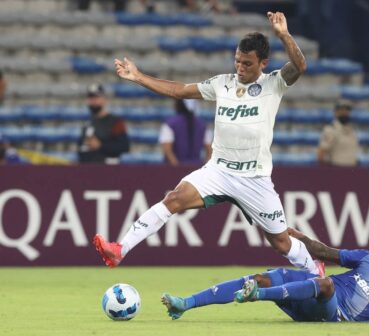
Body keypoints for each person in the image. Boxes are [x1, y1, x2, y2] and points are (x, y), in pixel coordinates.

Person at [93, 12, 322, 276]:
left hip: (254, 177)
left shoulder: (274, 83)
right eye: (237, 61)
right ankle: (119, 249)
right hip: (219, 171)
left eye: (247, 63)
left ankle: (316, 274)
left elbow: (300, 66)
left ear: (263, 63)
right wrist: (139, 77)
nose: (240, 68)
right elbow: (180, 90)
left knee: (280, 242)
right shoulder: (222, 84)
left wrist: (283, 35)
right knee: (174, 198)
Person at [160, 228, 369, 323]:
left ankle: (255, 296)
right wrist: (299, 238)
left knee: (323, 285)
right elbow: (327, 253)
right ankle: (184, 304)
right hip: (304, 297)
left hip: (331, 313)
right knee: (265, 277)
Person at [78, 83, 130, 164]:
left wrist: (100, 145)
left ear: (104, 99)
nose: (93, 101)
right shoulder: (87, 123)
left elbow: (124, 147)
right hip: (88, 170)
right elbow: (81, 148)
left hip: (109, 170)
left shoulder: (115, 122)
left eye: (96, 97)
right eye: (91, 98)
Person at [159, 99, 212, 166]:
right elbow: (210, 151)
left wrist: (178, 168)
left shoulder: (170, 124)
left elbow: (167, 150)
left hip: (174, 171)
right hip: (195, 169)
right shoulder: (203, 125)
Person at [317, 100, 360, 167]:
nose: (344, 112)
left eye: (347, 110)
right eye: (342, 110)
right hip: (337, 169)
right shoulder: (330, 129)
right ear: (336, 112)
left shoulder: (352, 130)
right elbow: (321, 154)